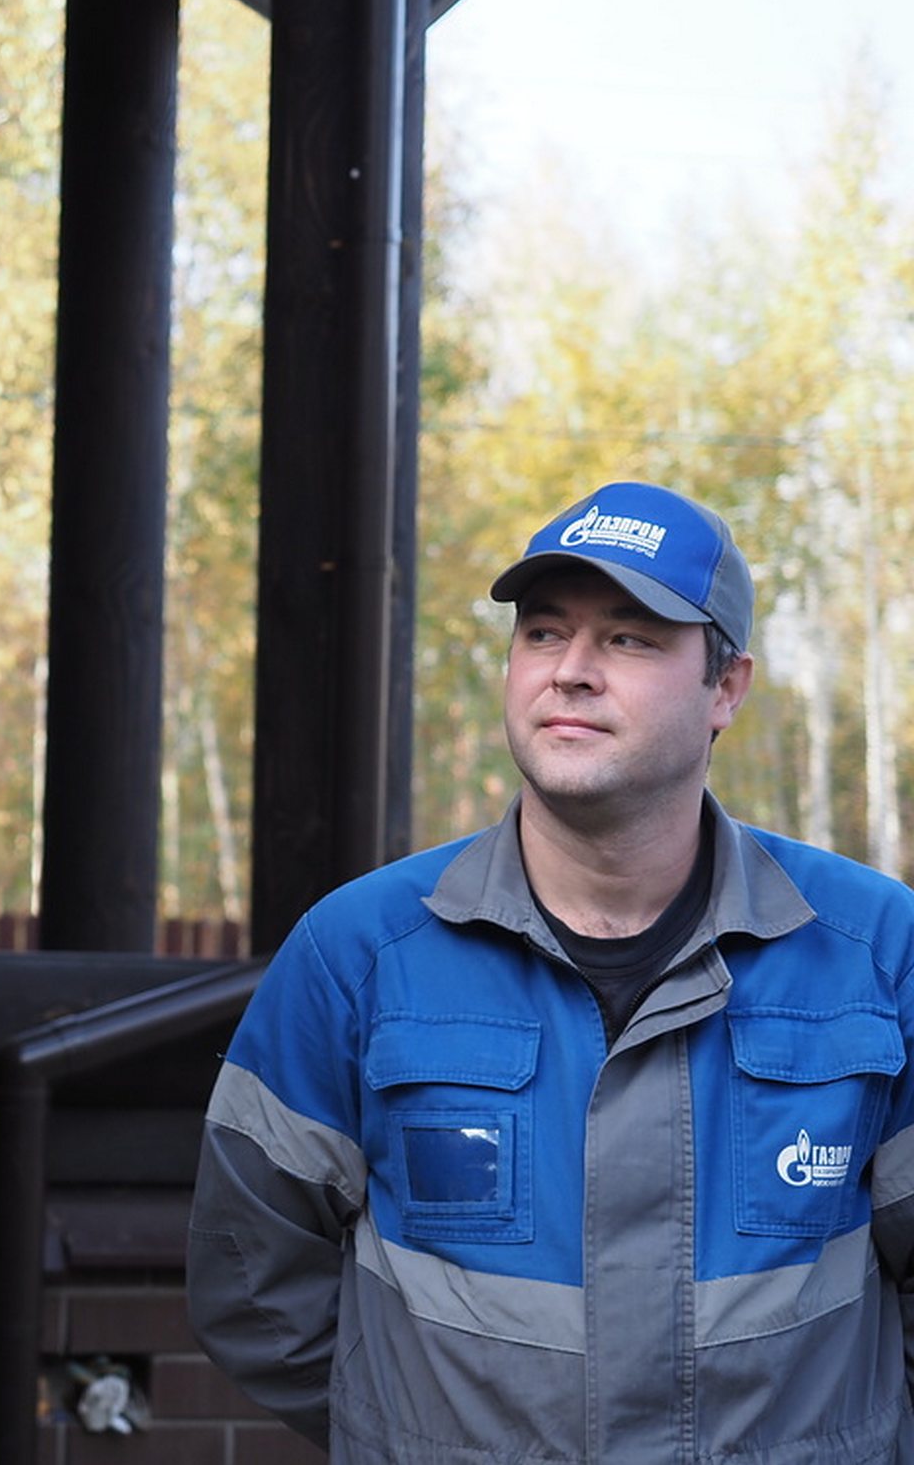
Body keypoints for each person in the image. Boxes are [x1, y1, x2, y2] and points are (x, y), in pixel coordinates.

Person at [188, 480, 914, 1463]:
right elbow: (249, 1275)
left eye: (627, 639)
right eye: (540, 633)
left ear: (725, 688)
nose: (569, 671)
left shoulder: (874, 950)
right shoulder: (358, 952)